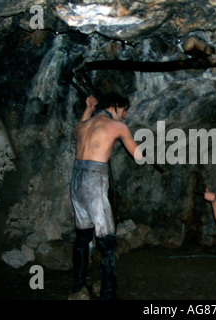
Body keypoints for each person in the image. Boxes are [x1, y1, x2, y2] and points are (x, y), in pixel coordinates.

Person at [70, 93, 144, 300]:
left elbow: (78, 127)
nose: (125, 115)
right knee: (107, 243)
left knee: (83, 236)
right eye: (124, 110)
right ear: (115, 107)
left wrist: (88, 109)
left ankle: (78, 285)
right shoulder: (118, 127)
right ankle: (108, 296)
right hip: (94, 181)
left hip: (76, 181)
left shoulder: (83, 126)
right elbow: (138, 156)